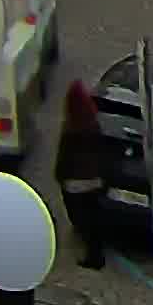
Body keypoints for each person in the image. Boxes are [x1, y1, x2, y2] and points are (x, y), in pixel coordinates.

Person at [53, 81, 113, 269]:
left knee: (83, 219)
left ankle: (92, 255)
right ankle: (97, 254)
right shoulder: (92, 123)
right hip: (94, 181)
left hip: (75, 183)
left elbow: (64, 156)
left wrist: (59, 175)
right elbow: (102, 151)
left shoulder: (70, 127)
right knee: (94, 219)